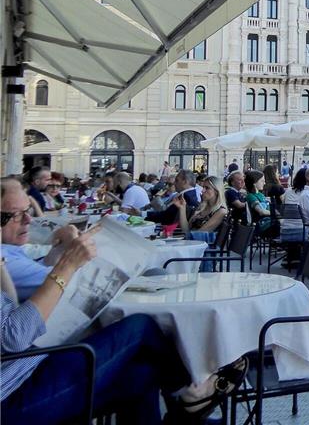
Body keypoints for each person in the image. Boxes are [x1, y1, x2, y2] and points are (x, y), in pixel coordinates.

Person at [1, 181, 241, 423]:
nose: (28, 221)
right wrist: (68, 263)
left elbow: (11, 308)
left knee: (144, 373)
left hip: (31, 364)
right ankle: (190, 390)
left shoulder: (7, 255)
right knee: (139, 326)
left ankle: (189, 398)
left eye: (27, 211)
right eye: (14, 215)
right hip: (13, 393)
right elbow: (15, 336)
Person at [0, 177, 84, 302]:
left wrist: (59, 249)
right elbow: (70, 285)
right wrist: (75, 254)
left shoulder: (10, 251)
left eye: (28, 210)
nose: (29, 220)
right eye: (17, 214)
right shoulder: (7, 260)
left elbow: (34, 271)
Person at [175, 176, 228, 241]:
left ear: (217, 191)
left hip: (205, 247)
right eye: (203, 187)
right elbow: (186, 230)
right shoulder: (202, 207)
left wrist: (178, 238)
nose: (202, 190)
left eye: (207, 188)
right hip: (192, 243)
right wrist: (182, 208)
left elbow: (199, 233)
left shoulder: (221, 211)